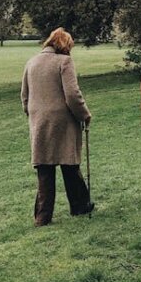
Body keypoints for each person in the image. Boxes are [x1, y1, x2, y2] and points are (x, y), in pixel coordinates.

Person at [21, 27, 94, 226]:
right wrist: (85, 115)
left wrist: (33, 115)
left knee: (44, 168)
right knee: (69, 163)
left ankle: (42, 217)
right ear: (64, 45)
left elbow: (24, 96)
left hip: (39, 121)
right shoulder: (64, 62)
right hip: (63, 121)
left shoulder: (32, 62)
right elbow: (72, 95)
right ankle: (80, 206)